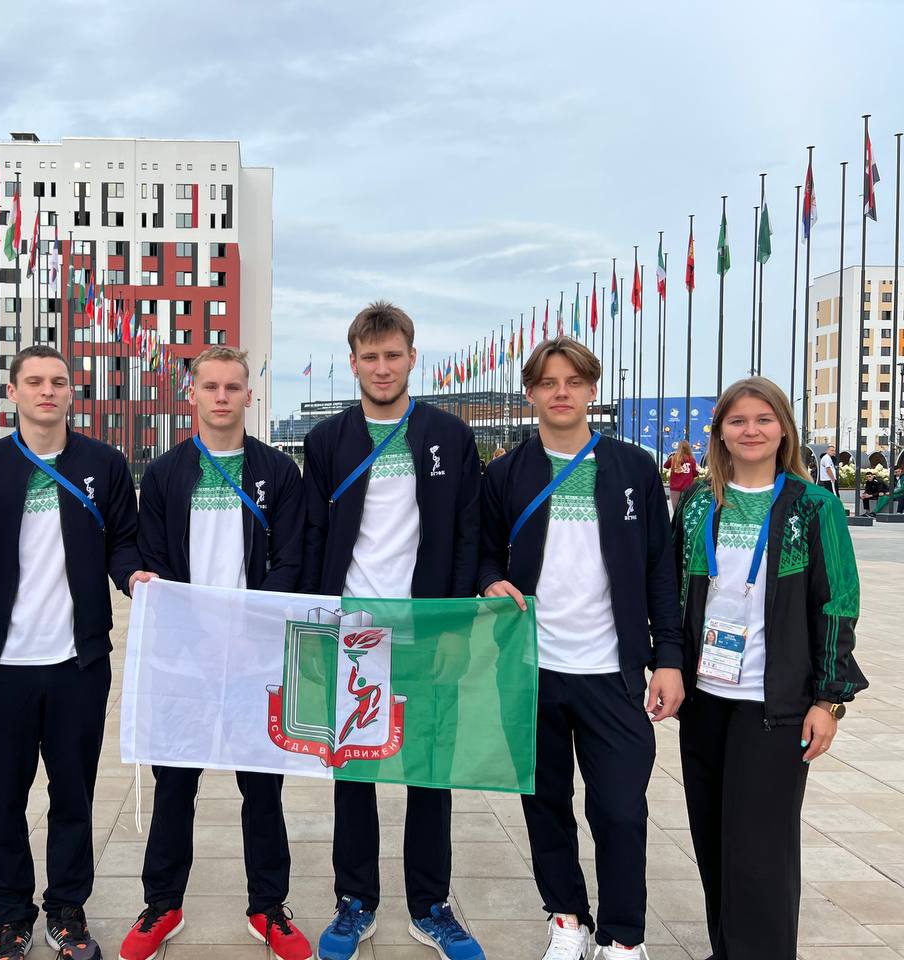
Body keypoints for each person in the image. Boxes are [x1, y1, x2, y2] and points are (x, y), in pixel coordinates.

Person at [478, 337, 683, 960]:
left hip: (612, 672)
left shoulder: (634, 468)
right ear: (530, 394)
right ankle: (567, 920)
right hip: (531, 669)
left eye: (573, 381)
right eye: (548, 382)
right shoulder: (506, 473)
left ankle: (623, 937)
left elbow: (661, 568)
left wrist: (668, 658)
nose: (561, 392)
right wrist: (489, 581)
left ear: (592, 390)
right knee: (545, 804)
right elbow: (483, 553)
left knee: (620, 810)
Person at [0, 345, 153, 960]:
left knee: (73, 797)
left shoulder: (104, 462)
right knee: (3, 801)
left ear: (72, 392)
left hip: (78, 666)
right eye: (35, 381)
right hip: (2, 670)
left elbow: (123, 541)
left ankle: (67, 909)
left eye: (59, 382)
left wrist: (133, 576)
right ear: (12, 392)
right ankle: (11, 916)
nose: (48, 391)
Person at [301, 301, 484, 960]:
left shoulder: (449, 436)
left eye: (393, 355)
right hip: (353, 632)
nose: (382, 368)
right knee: (353, 775)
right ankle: (355, 901)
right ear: (353, 363)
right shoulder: (327, 441)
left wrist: (455, 625)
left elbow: (467, 535)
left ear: (412, 358)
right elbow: (314, 536)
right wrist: (315, 626)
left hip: (427, 629)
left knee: (430, 774)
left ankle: (431, 906)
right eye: (370, 357)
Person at [121, 345, 310, 960]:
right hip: (186, 659)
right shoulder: (165, 474)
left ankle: (268, 907)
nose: (222, 397)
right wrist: (185, 624)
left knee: (264, 790)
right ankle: (162, 904)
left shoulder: (278, 472)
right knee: (175, 785)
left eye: (233, 387)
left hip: (255, 659)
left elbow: (291, 562)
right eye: (211, 386)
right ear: (192, 394)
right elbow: (152, 557)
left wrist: (249, 626)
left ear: (249, 395)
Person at [672, 377, 867, 959]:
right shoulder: (699, 503)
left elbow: (837, 602)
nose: (750, 430)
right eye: (737, 421)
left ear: (784, 429)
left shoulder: (813, 506)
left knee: (760, 850)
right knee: (713, 839)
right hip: (706, 698)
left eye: (763, 419)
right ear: (720, 433)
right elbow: (675, 591)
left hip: (775, 706)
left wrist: (828, 700)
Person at [663, 439, 698, 511]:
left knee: (676, 511)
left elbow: (665, 466)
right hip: (687, 489)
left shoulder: (673, 459)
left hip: (675, 489)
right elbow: (695, 474)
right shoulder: (691, 460)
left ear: (679, 448)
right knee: (686, 510)